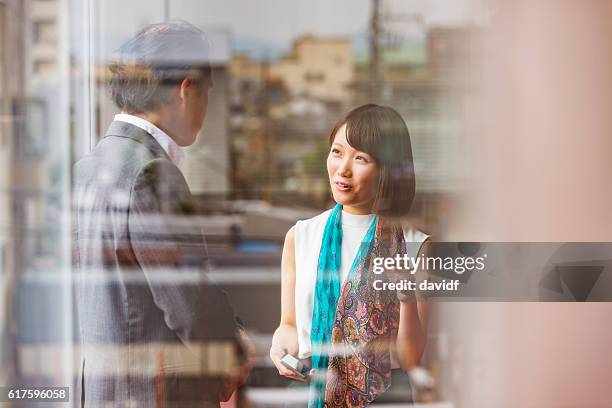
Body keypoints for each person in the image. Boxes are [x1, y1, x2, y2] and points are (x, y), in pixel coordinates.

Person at [72, 21, 251, 407]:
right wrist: (234, 353)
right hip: (154, 395)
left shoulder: (90, 166)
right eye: (209, 93)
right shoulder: (151, 171)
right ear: (186, 90)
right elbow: (189, 301)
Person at [270, 104, 431, 407]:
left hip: (383, 398)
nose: (343, 169)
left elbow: (411, 358)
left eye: (360, 158)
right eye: (337, 152)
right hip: (309, 393)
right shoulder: (301, 236)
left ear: (388, 168)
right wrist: (279, 349)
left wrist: (406, 296)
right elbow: (289, 326)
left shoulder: (415, 245)